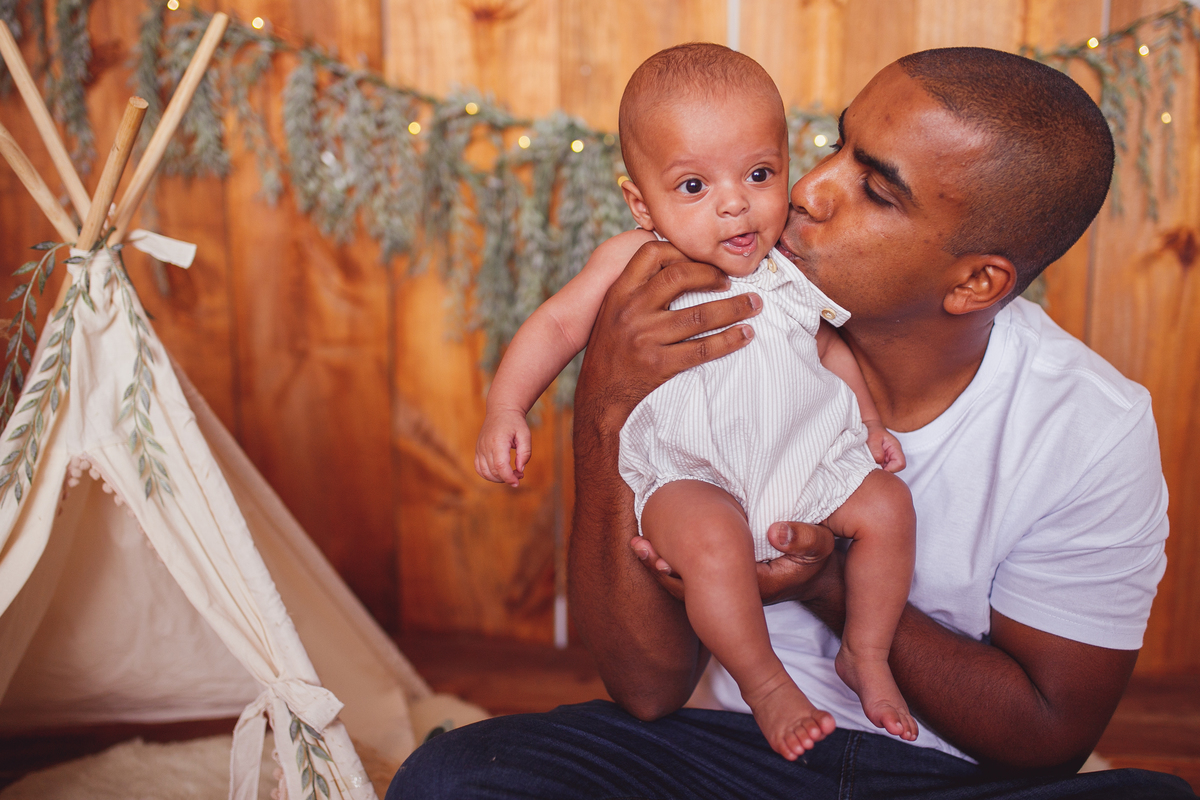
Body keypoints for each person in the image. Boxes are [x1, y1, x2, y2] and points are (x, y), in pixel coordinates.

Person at [387, 47, 1196, 799]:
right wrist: (603, 399)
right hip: (727, 749)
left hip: (939, 776)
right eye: (835, 145)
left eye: (874, 188)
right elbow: (646, 690)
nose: (808, 188)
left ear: (977, 282)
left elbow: (1049, 736)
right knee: (456, 776)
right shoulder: (681, 308)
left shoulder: (1091, 429)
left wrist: (826, 582)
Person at [475, 43, 917, 758]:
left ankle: (865, 653)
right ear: (639, 202)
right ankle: (764, 681)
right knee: (710, 542)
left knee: (888, 509)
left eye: (760, 173)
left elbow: (828, 349)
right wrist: (506, 407)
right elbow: (558, 325)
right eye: (692, 187)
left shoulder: (785, 264)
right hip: (694, 473)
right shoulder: (631, 262)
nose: (735, 202)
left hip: (798, 466)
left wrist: (867, 422)